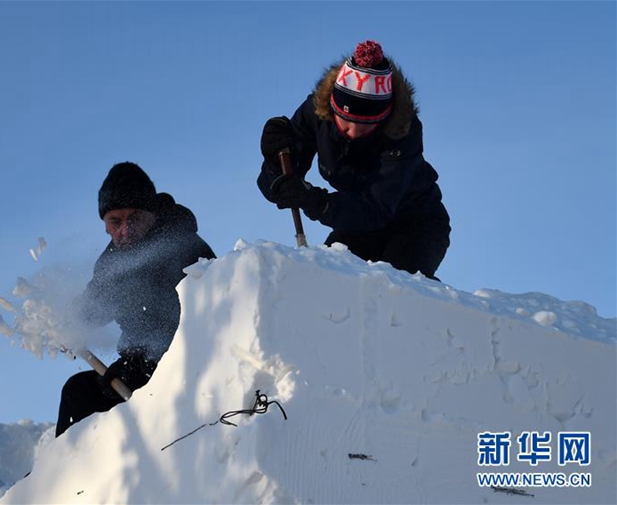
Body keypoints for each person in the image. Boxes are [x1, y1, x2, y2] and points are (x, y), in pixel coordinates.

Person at [257, 40, 451, 280]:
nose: (353, 130)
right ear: (332, 108)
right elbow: (283, 184)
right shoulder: (316, 113)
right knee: (326, 279)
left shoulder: (402, 133)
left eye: (366, 124)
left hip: (416, 224)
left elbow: (376, 209)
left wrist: (318, 202)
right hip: (358, 225)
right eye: (346, 120)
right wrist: (274, 164)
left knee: (394, 288)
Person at [55, 162, 215, 437]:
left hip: (185, 370)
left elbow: (214, 315)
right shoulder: (111, 263)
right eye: (115, 222)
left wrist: (151, 362)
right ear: (105, 225)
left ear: (151, 215)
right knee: (78, 393)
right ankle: (64, 473)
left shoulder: (185, 247)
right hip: (133, 371)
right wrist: (67, 326)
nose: (125, 230)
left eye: (134, 219)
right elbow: (92, 306)